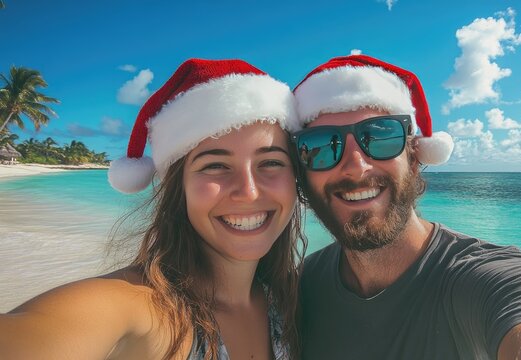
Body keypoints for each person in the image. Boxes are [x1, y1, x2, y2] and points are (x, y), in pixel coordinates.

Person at [290, 55, 521, 359]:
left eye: (380, 137)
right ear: (302, 173)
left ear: (415, 157)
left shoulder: (491, 281)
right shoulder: (298, 288)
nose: (355, 166)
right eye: (321, 146)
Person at [0, 58, 306, 360]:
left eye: (270, 162)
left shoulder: (290, 300)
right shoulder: (144, 311)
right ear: (177, 188)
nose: (249, 191)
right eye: (215, 165)